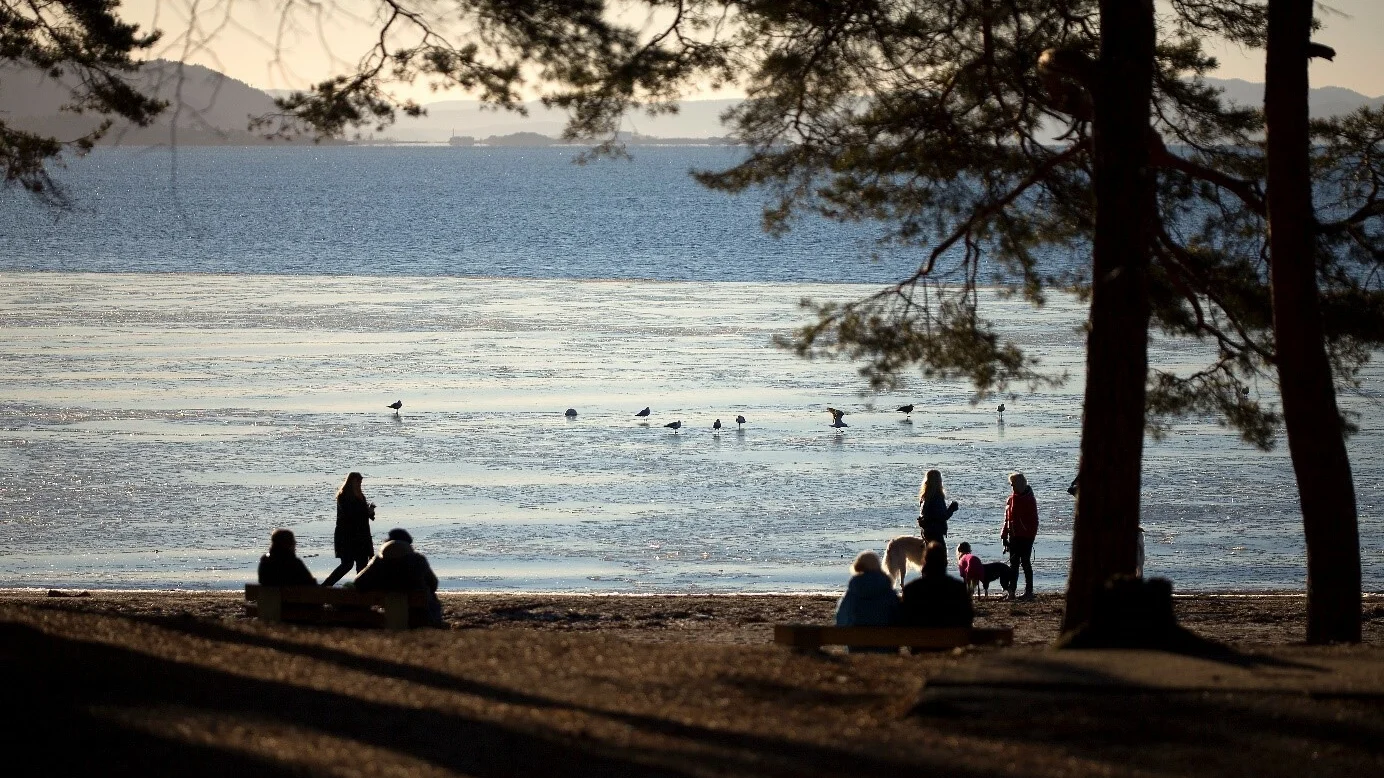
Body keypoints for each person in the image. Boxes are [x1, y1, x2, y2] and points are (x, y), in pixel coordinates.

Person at [354, 530, 443, 627]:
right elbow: (433, 584)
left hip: (384, 615)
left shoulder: (378, 562)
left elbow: (358, 583)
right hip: (418, 616)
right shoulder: (418, 560)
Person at [897, 540, 972, 629]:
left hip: (919, 640)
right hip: (949, 640)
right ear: (944, 563)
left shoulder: (911, 589)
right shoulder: (958, 588)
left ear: (924, 562)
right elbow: (967, 619)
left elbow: (903, 619)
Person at [834, 551, 900, 652]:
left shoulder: (854, 589)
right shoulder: (887, 590)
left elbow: (842, 616)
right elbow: (897, 615)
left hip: (858, 643)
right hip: (886, 643)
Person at [323, 471, 376, 587]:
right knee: (347, 564)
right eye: (358, 481)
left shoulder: (361, 496)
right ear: (351, 481)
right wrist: (366, 511)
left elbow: (363, 515)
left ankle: (360, 591)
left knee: (362, 565)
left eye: (360, 482)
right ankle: (326, 585)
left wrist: (370, 512)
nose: (359, 484)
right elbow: (350, 514)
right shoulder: (343, 496)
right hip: (347, 536)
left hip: (362, 535)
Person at [1001, 471, 1038, 600]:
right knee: (1014, 564)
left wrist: (1029, 536)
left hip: (1025, 537)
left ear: (1020, 484)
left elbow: (1034, 522)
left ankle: (1029, 592)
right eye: (1011, 484)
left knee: (1025, 563)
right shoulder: (1011, 499)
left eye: (1013, 484)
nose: (1012, 487)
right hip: (1014, 536)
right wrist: (1004, 535)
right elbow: (1007, 519)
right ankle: (1012, 592)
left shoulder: (1029, 499)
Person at [917, 469, 960, 543]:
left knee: (930, 553)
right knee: (940, 553)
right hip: (936, 532)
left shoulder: (924, 497)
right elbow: (942, 517)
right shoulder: (937, 497)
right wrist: (952, 508)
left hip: (926, 531)